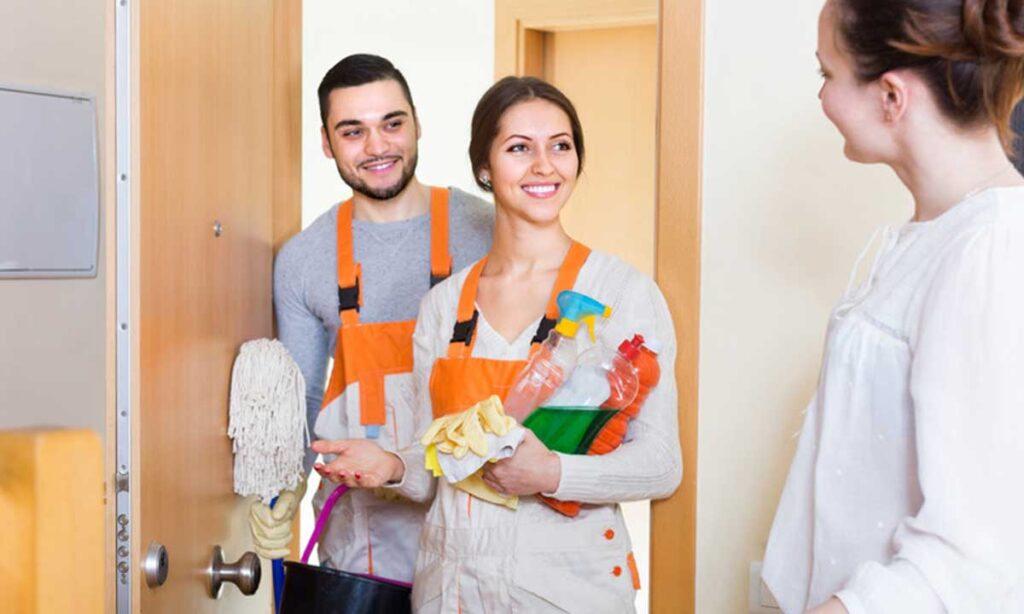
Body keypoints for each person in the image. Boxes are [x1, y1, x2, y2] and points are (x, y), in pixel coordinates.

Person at [313, 76, 682, 612]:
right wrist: (392, 464)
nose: (545, 166)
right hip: (452, 586)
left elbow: (661, 464)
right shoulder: (444, 306)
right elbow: (438, 463)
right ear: (483, 167)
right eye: (519, 148)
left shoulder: (620, 293)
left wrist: (553, 473)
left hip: (566, 588)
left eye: (561, 145)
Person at [763, 1, 1024, 612]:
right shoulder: (934, 234)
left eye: (827, 74)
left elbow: (976, 555)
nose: (823, 98)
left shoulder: (990, 248)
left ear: (890, 97)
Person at [256, 54, 494, 582]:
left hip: (477, 524)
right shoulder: (304, 259)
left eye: (392, 123)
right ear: (326, 142)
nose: (378, 147)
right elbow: (305, 398)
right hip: (364, 540)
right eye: (353, 131)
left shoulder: (488, 231)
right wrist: (285, 489)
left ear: (417, 123)